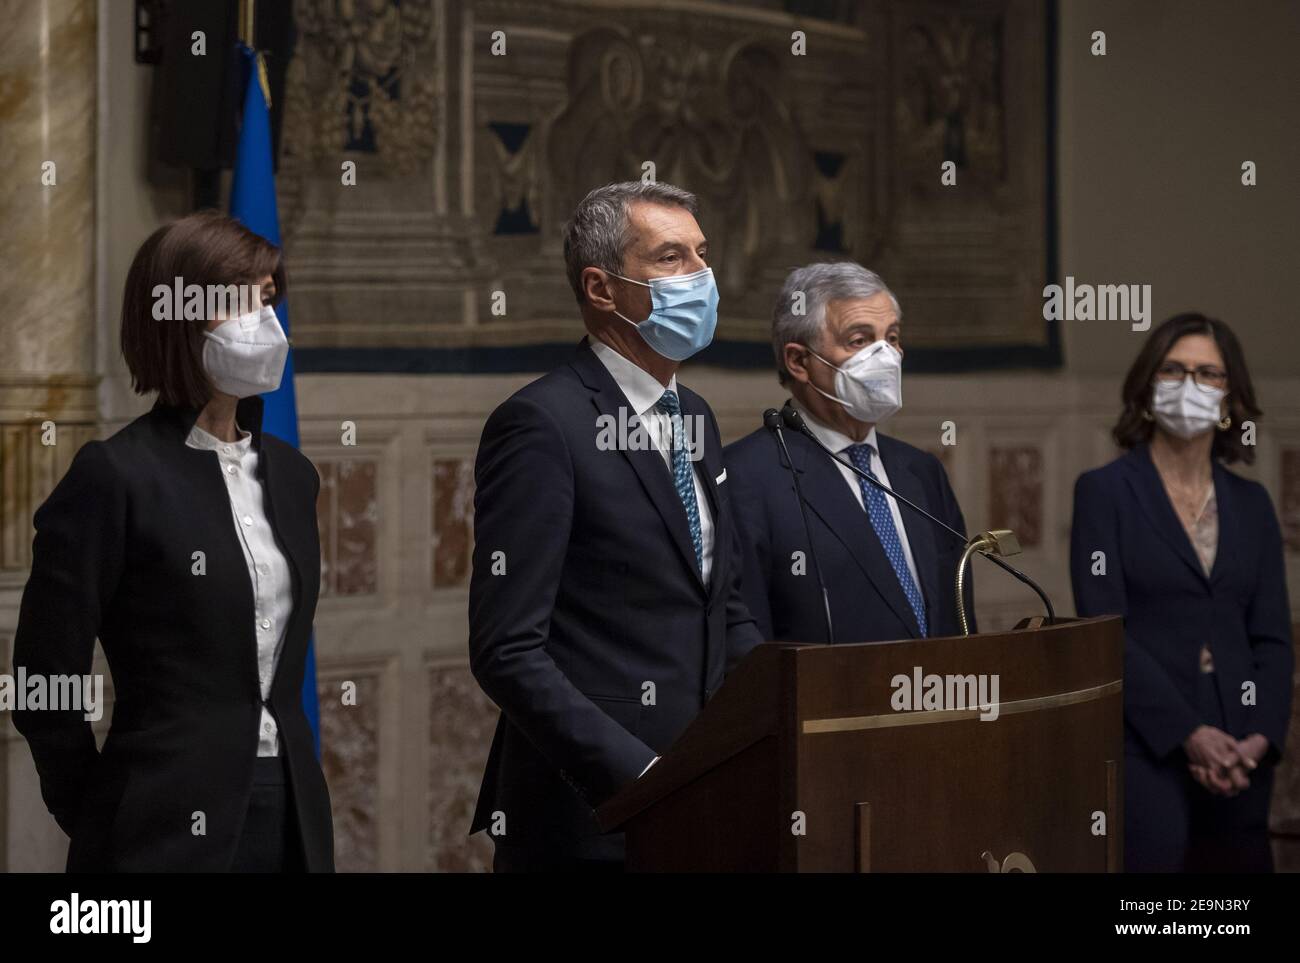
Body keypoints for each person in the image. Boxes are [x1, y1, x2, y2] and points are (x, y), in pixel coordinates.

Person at [12, 210, 334, 872]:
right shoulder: (115, 475)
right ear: (181, 316)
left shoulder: (294, 477)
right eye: (243, 300)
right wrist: (101, 810)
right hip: (156, 825)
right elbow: (46, 680)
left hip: (289, 812)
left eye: (270, 298)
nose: (265, 322)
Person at [468, 181, 764, 871]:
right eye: (671, 258)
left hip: (705, 797)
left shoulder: (696, 416)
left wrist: (789, 705)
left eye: (702, 254)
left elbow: (725, 605)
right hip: (591, 817)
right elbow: (508, 650)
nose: (702, 276)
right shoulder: (542, 424)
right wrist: (642, 774)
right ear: (602, 288)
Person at [1070, 312, 1292, 872]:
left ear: (1230, 397)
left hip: (1242, 749)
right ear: (1148, 387)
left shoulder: (1252, 504)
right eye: (1174, 370)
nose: (1190, 384)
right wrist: (1189, 735)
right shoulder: (1104, 493)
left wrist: (1259, 738)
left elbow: (1271, 636)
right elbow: (1105, 631)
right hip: (1147, 742)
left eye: (1209, 374)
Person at [724, 262, 973, 644]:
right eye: (859, 340)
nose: (885, 356)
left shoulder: (921, 470)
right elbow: (748, 644)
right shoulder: (746, 477)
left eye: (891, 337)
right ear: (799, 361)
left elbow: (957, 619)